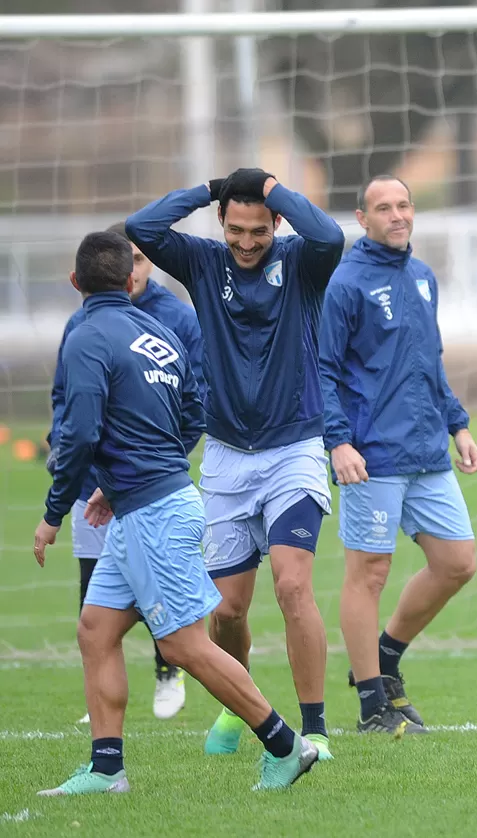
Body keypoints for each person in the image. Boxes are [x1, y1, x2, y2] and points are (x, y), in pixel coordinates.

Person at [35, 231, 318, 795]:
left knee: (184, 646)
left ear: (76, 283)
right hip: (150, 502)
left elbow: (79, 432)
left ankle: (287, 745)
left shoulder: (86, 335)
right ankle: (107, 769)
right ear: (129, 278)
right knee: (96, 630)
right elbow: (196, 410)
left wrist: (52, 512)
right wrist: (129, 479)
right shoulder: (158, 333)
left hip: (153, 516)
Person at [125, 167, 345, 759]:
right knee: (226, 611)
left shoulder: (301, 260)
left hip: (295, 447)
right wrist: (209, 188)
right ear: (220, 225)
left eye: (258, 230)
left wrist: (273, 188)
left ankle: (316, 728)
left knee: (293, 584)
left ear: (275, 224)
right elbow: (140, 227)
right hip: (225, 457)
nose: (247, 242)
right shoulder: (201, 261)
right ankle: (238, 705)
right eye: (235, 230)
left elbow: (329, 236)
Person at [318, 175, 477, 734]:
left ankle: (385, 660)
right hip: (372, 455)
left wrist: (458, 424)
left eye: (404, 204)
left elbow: (428, 360)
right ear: (362, 219)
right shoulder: (344, 284)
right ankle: (371, 706)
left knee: (457, 563)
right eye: (383, 208)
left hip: (427, 448)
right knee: (369, 573)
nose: (397, 215)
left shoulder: (422, 275)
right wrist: (337, 440)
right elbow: (323, 372)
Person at [51, 221, 204, 725]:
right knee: (94, 617)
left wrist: (152, 462)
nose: (133, 269)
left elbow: (192, 409)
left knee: (183, 641)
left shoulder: (175, 321)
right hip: (101, 488)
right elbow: (68, 407)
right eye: (127, 260)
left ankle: (281, 740)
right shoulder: (83, 327)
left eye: (141, 258)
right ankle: (105, 758)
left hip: (148, 493)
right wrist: (72, 463)